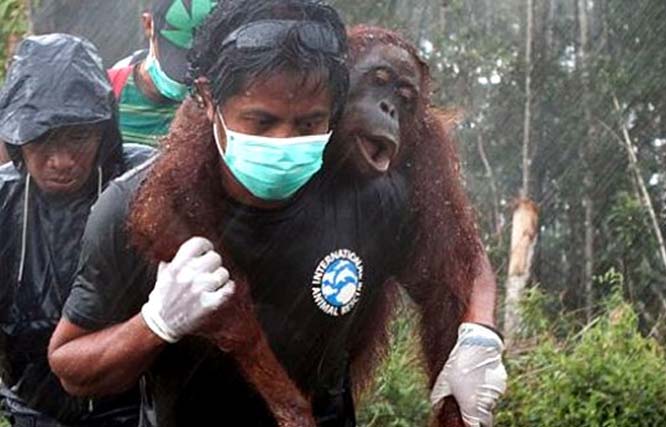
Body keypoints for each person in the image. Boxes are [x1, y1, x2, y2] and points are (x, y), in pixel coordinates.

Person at [49, 2, 505, 427]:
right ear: (208, 104)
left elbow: (459, 260)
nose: (285, 140)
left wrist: (477, 336)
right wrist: (154, 325)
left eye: (308, 124)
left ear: (333, 105)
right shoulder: (146, 200)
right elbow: (71, 366)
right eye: (262, 122)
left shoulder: (375, 196)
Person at [0, 34, 154, 426]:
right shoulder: (4, 200)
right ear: (17, 142)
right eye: (42, 142)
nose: (62, 160)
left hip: (133, 409)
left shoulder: (146, 185)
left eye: (79, 137)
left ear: (104, 132)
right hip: (33, 408)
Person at [108, 0, 216, 147]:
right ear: (148, 25)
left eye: (203, 59)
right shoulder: (107, 90)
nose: (186, 78)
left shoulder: (219, 102)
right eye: (178, 55)